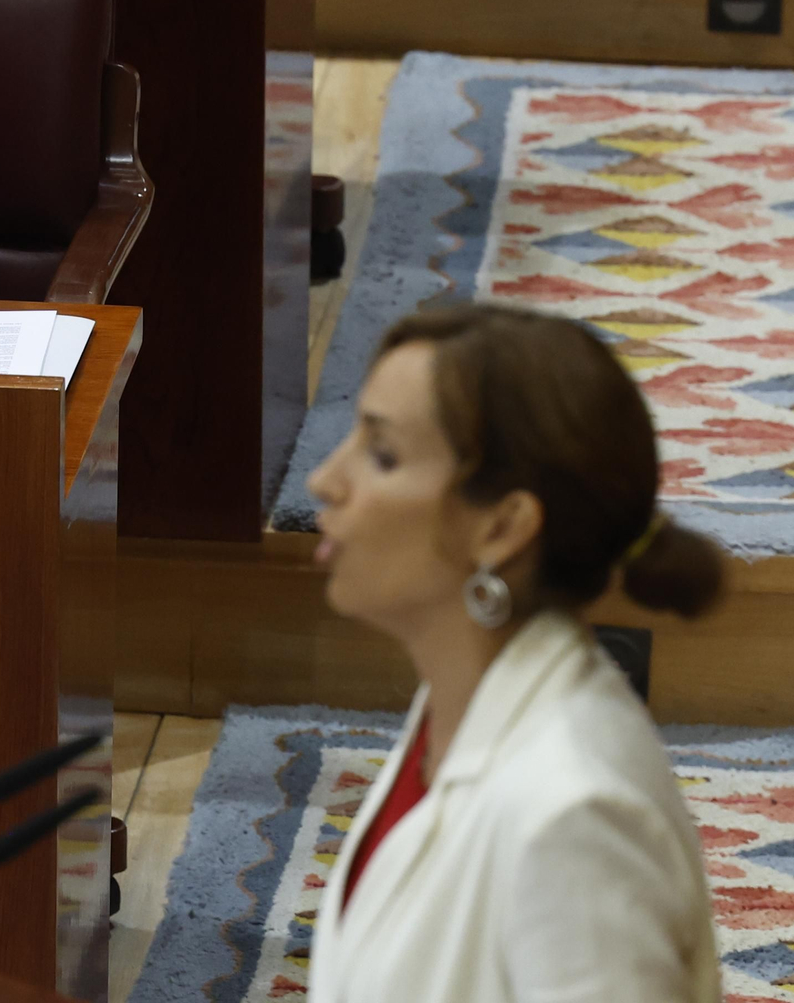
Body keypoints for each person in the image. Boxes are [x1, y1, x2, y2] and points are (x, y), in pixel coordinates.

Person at [305, 303, 724, 1003]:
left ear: (502, 527)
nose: (325, 479)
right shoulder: (461, 695)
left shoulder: (572, 814)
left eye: (382, 455)